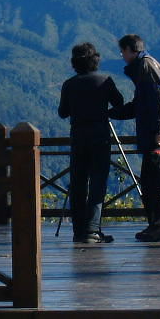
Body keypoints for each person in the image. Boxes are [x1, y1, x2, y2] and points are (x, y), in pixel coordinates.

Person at [113, 33, 160, 242]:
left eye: (122, 52)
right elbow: (141, 104)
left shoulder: (146, 67)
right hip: (155, 133)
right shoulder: (146, 65)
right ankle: (156, 224)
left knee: (155, 180)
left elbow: (159, 99)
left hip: (156, 136)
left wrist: (159, 131)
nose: (122, 56)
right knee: (150, 180)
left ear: (129, 50)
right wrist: (113, 113)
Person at [58, 42, 125, 244]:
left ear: (74, 63)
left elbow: (63, 112)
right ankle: (93, 230)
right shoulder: (105, 80)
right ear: (95, 60)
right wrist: (103, 111)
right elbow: (119, 103)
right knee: (98, 182)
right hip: (100, 135)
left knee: (78, 182)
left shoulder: (69, 84)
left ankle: (78, 230)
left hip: (78, 136)